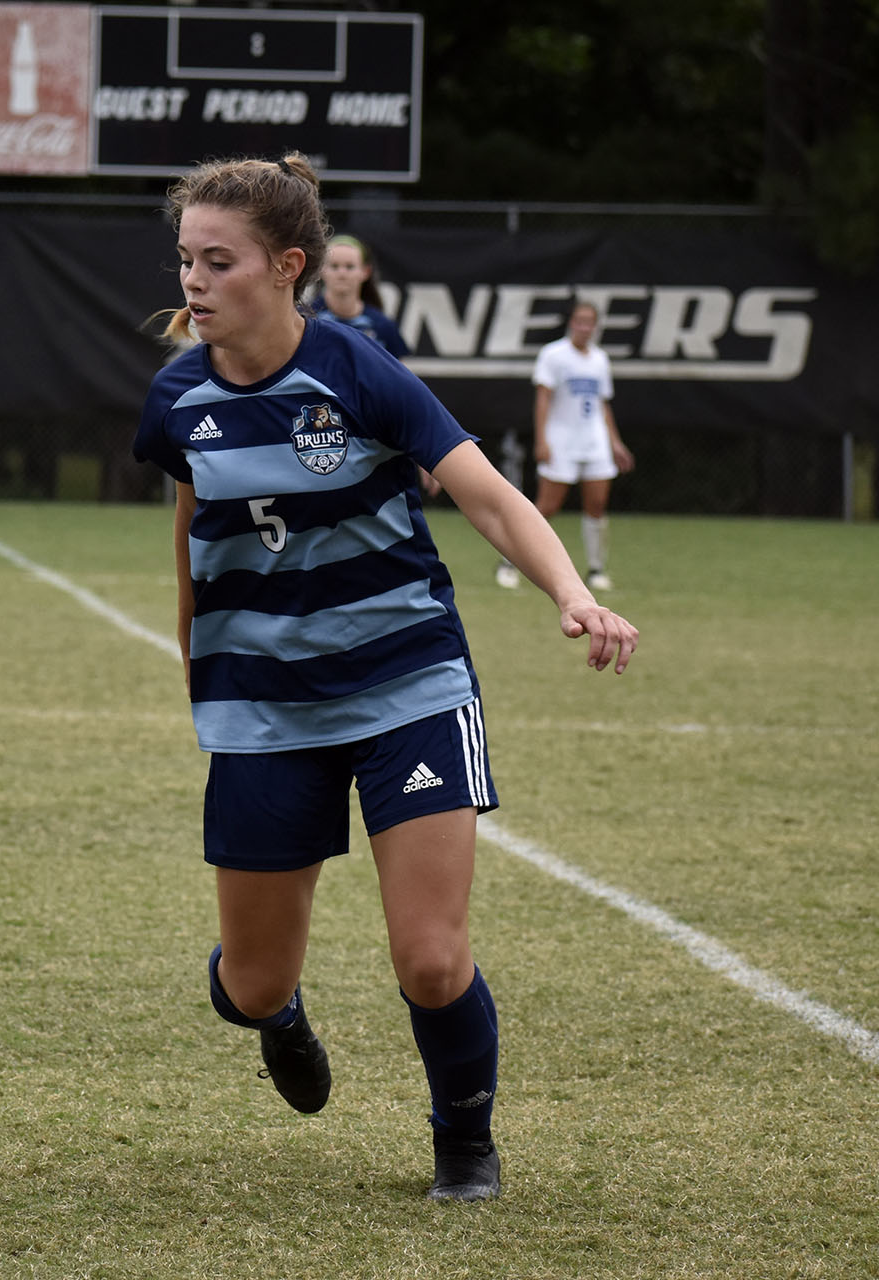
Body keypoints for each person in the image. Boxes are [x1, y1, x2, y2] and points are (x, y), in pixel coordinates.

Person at [134, 153, 638, 1202]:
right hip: (263, 707)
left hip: (408, 681)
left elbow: (487, 494)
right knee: (251, 979)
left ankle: (464, 1140)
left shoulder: (360, 370)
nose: (192, 282)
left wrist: (568, 592)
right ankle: (275, 1014)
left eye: (215, 262)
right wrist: (199, 668)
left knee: (432, 958)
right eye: (185, 259)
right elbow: (194, 526)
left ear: (287, 267)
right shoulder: (177, 399)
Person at [495, 299, 635, 591]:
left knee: (596, 506)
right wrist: (542, 439)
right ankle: (509, 561)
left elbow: (602, 405)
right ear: (571, 323)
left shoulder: (599, 359)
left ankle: (596, 569)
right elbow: (543, 399)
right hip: (562, 441)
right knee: (547, 507)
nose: (585, 327)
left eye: (590, 322)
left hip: (594, 441)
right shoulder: (554, 355)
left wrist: (615, 442)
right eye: (580, 321)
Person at [310, 234, 443, 497]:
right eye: (335, 266)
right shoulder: (305, 320)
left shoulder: (381, 326)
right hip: (318, 429)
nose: (342, 274)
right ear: (321, 270)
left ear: (365, 272)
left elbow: (405, 389)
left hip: (370, 432)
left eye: (350, 267)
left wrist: (428, 452)